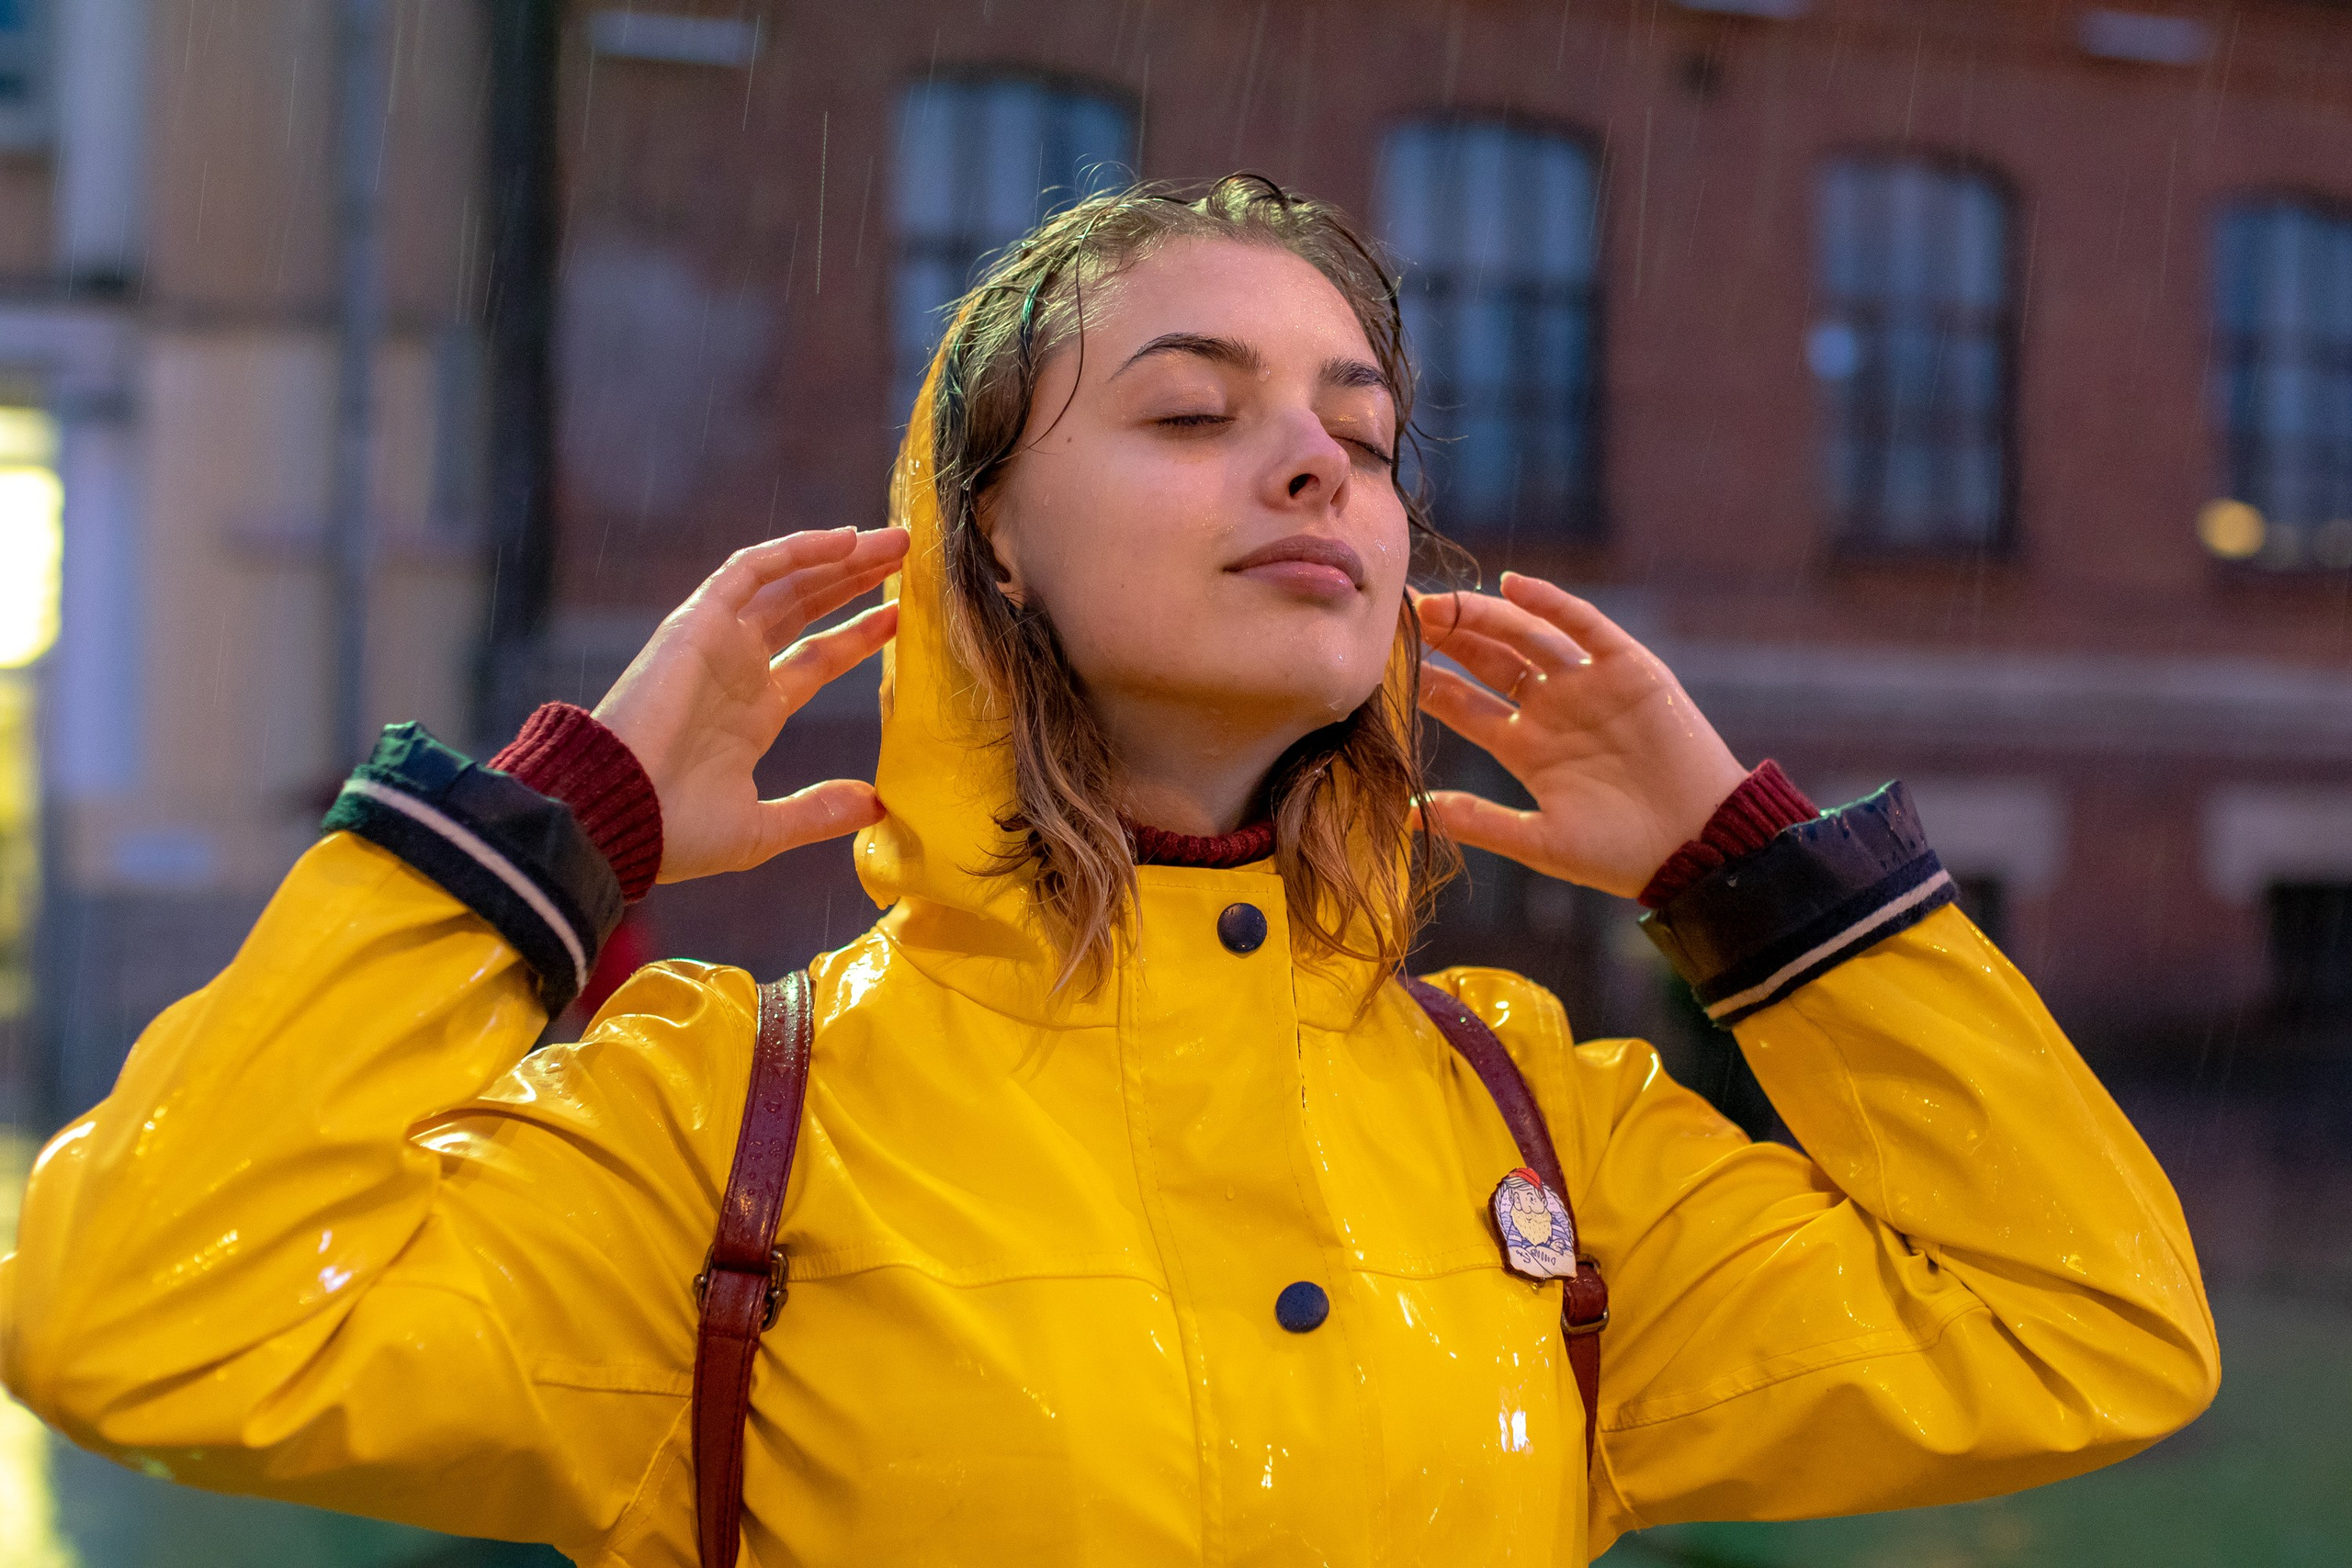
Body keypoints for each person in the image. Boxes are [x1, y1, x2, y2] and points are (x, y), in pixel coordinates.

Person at [0, 176, 2216, 1567]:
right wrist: (536, 849)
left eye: (1359, 431)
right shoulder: (716, 1134)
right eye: (1187, 411)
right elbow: (139, 1315)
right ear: (981, 536)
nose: (1313, 465)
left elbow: (2086, 1332)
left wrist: (1768, 898)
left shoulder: (1540, 1128)